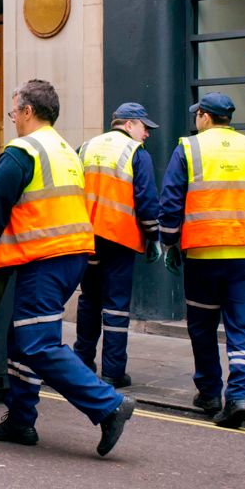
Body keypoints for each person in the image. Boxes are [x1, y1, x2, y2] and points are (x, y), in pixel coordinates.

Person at [0, 79, 135, 457]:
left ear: (27, 111)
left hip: (46, 256)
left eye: (13, 111)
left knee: (38, 344)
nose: (12, 119)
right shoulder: (64, 149)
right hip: (69, 255)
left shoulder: (23, 151)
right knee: (20, 338)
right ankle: (22, 420)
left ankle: (108, 406)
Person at [157, 92, 245, 429]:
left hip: (203, 254)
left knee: (202, 326)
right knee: (242, 326)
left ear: (205, 116)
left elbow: (171, 201)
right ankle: (240, 396)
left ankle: (210, 393)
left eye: (196, 113)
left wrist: (169, 244)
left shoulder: (188, 147)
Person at [73, 103, 162, 387]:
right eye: (144, 127)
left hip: (87, 238)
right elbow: (147, 201)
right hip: (119, 239)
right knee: (115, 305)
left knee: (89, 299)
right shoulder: (136, 153)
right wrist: (154, 236)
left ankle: (82, 362)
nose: (146, 133)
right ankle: (113, 371)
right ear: (128, 124)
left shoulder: (85, 147)